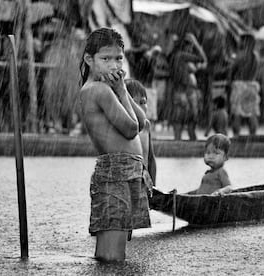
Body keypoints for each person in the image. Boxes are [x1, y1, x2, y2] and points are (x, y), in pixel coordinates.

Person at [79, 28, 151, 263]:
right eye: (105, 59)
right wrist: (120, 90)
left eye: (118, 58)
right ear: (89, 60)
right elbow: (130, 129)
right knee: (112, 252)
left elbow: (142, 122)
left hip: (127, 171)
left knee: (117, 242)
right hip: (115, 172)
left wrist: (123, 92)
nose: (113, 65)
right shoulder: (98, 90)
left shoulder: (108, 89)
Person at [167, 32, 207, 141]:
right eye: (191, 47)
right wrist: (196, 43)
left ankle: (182, 143)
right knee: (182, 119)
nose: (191, 49)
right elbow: (202, 58)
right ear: (186, 46)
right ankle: (180, 143)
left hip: (185, 91)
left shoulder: (178, 57)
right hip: (183, 91)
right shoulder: (181, 55)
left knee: (189, 120)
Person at [125, 79, 157, 188]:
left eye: (143, 102)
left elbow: (151, 159)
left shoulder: (146, 125)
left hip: (144, 181)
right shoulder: (123, 125)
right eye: (134, 103)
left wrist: (154, 186)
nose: (139, 107)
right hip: (127, 180)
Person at [229, 34, 261, 136]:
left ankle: (236, 136)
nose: (239, 43)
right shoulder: (256, 56)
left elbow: (232, 70)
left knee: (237, 113)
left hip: (240, 85)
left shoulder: (241, 55)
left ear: (246, 42)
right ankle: (253, 135)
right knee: (252, 113)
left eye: (241, 41)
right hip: (252, 85)